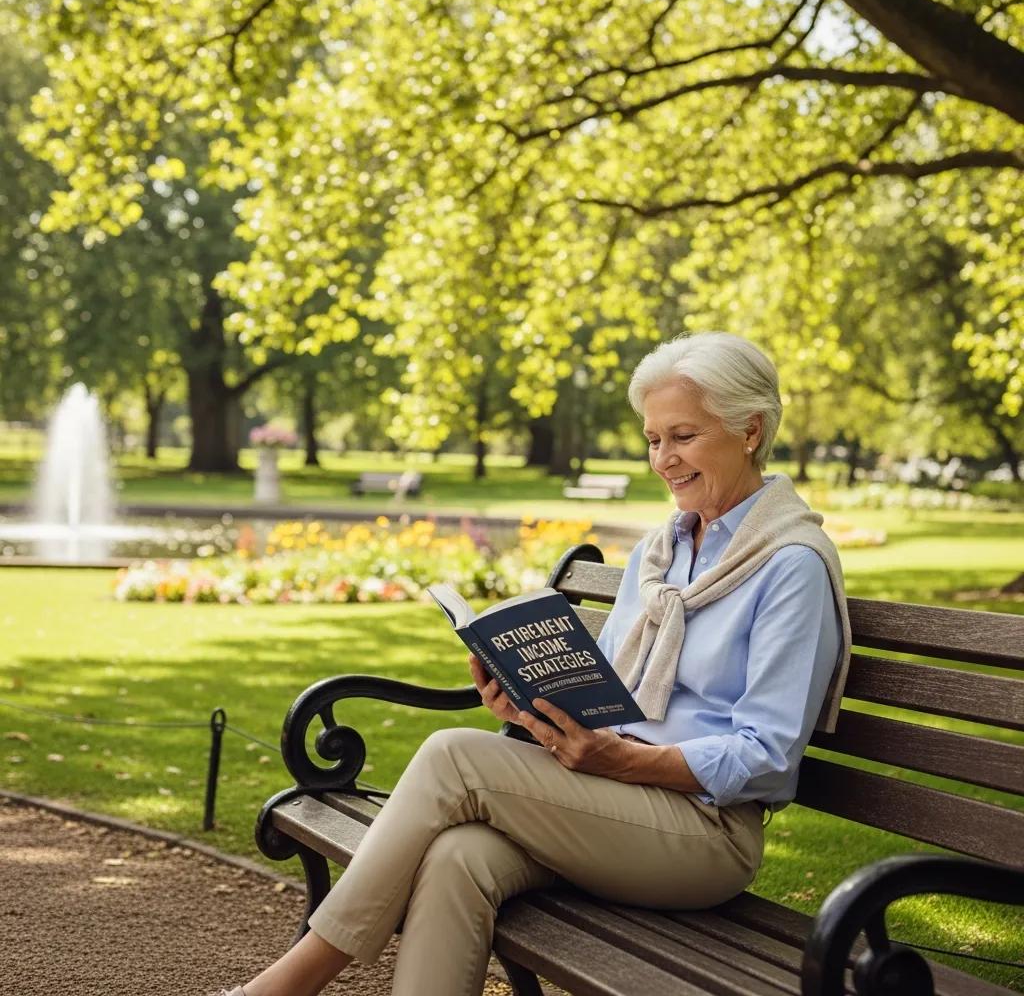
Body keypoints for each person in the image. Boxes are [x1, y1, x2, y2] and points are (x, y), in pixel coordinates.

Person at [215, 331, 851, 996]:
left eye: (683, 436)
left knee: (452, 755)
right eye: (653, 438)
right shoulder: (662, 553)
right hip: (614, 802)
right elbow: (609, 696)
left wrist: (624, 761)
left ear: (749, 430)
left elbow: (769, 755)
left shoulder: (791, 567)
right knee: (461, 858)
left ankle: (290, 983)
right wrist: (530, 706)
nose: (663, 459)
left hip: (705, 832)